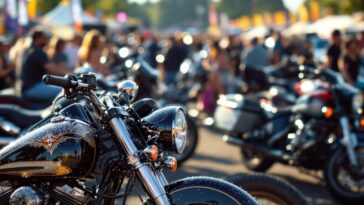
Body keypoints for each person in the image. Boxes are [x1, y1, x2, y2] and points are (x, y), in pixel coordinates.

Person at [18, 29, 69, 100]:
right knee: (64, 91)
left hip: (25, 87)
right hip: (32, 87)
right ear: (38, 39)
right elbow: (51, 68)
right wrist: (69, 73)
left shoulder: (28, 50)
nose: (46, 41)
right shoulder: (37, 51)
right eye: (44, 38)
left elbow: (51, 65)